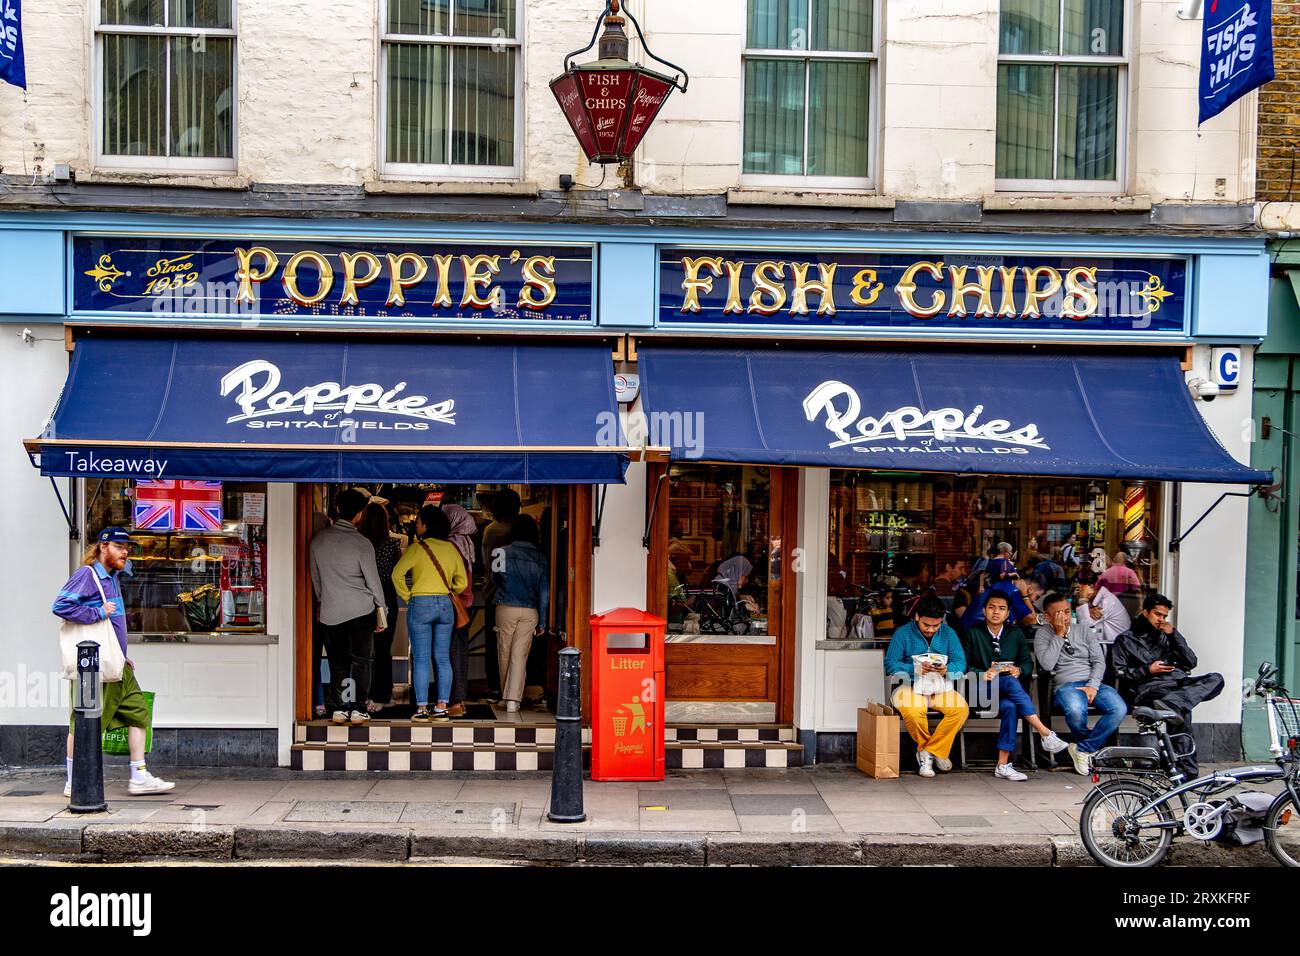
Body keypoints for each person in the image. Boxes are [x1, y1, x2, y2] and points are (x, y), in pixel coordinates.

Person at [53, 527, 175, 797]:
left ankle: (139, 775)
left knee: (139, 712)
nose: (125, 551)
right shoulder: (87, 575)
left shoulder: (113, 578)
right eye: (119, 546)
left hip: (116, 662)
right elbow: (60, 606)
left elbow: (113, 624)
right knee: (83, 723)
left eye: (127, 547)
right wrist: (97, 611)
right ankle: (74, 781)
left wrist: (121, 652)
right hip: (94, 666)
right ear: (102, 547)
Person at [1112, 594, 1224, 778]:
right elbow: (1119, 673)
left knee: (1216, 678)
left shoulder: (1167, 636)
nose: (1161, 620)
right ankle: (1186, 770)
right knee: (1181, 710)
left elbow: (1191, 662)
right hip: (1148, 688)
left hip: (1175, 685)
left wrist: (1174, 635)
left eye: (1164, 616)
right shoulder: (1125, 639)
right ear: (1145, 612)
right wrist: (1148, 670)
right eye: (1157, 615)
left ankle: (1174, 705)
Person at [963, 591, 1068, 780]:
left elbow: (1028, 663)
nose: (996, 612)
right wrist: (982, 673)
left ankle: (1002, 765)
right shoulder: (973, 633)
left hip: (1005, 693)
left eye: (1001, 609)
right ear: (984, 610)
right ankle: (1045, 732)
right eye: (992, 607)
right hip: (979, 690)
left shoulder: (1015, 634)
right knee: (1011, 683)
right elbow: (962, 665)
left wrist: (1019, 670)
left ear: (1008, 613)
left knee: (1010, 706)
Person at [310, 489, 387, 726]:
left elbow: (317, 582)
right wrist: (381, 608)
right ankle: (358, 707)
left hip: (331, 611)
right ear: (360, 514)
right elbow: (373, 582)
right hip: (361, 611)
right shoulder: (362, 543)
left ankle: (342, 707)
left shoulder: (318, 541)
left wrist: (327, 601)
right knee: (361, 661)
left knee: (338, 662)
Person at [1035, 592, 1128, 775]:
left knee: (1119, 708)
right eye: (1058, 614)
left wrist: (1093, 684)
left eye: (1067, 612)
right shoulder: (1042, 634)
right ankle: (1092, 753)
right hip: (1066, 686)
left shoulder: (1083, 630)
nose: (1065, 618)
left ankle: (1083, 749)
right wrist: (1059, 635)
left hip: (1093, 683)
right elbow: (1047, 664)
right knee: (1076, 711)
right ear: (1047, 616)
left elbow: (1099, 661)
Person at [392, 505, 467, 721]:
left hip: (421, 604)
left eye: (418, 522)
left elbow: (397, 574)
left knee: (422, 659)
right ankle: (442, 706)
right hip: (445, 604)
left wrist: (409, 596)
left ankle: (422, 709)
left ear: (426, 525)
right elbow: (461, 582)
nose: (416, 525)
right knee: (443, 658)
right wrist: (447, 592)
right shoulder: (452, 549)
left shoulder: (417, 548)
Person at [884, 594, 969, 778]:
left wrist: (947, 669)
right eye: (926, 625)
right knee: (914, 711)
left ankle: (929, 752)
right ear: (916, 617)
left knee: (960, 710)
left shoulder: (948, 633)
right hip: (908, 685)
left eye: (935, 626)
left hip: (940, 686)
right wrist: (914, 669)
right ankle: (933, 754)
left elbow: (961, 664)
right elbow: (890, 664)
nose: (931, 629)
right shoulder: (903, 633)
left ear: (942, 621)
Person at [493, 514, 550, 713]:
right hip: (530, 609)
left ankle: (505, 696)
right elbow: (544, 591)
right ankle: (513, 700)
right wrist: (543, 620)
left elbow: (495, 579)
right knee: (520, 654)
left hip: (505, 606)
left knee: (504, 652)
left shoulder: (499, 552)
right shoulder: (541, 556)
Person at [360, 502, 402, 714]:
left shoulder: (359, 543)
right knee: (384, 647)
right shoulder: (393, 543)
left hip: (364, 595)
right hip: (387, 595)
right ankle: (384, 693)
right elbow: (399, 571)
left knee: (366, 648)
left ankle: (365, 693)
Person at [481, 489, 521, 698]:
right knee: (517, 644)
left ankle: (495, 684)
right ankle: (514, 687)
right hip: (518, 593)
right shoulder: (516, 529)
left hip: (493, 591)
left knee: (494, 641)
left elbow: (487, 562)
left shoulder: (490, 530)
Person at [442, 503, 478, 718]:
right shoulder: (466, 542)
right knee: (459, 652)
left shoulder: (452, 544)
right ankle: (460, 699)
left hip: (453, 604)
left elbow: (457, 579)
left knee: (450, 652)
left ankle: (454, 702)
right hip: (465, 604)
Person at [1075, 578, 1131, 646]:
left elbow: (1085, 625)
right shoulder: (1094, 600)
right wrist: (1089, 610)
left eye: (1079, 589)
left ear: (1091, 586)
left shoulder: (1107, 601)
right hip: (1104, 640)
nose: (1077, 592)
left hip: (1116, 646)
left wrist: (1083, 599)